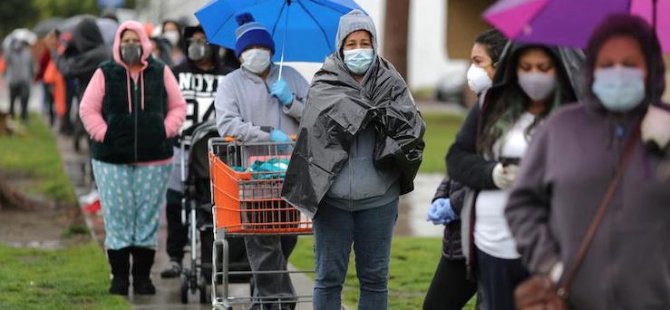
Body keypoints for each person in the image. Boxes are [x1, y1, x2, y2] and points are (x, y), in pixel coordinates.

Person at [506, 15, 670, 310]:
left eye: (630, 64)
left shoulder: (666, 127)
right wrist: (551, 264)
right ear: (592, 70)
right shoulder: (560, 128)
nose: (618, 73)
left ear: (651, 69)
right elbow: (522, 205)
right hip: (574, 299)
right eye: (607, 65)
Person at [282, 10, 425, 310]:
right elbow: (314, 135)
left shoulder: (392, 83)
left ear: (374, 45)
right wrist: (352, 112)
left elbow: (411, 130)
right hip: (332, 201)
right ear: (340, 46)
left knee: (374, 280)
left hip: (379, 199)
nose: (359, 49)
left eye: (365, 42)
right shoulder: (323, 83)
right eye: (351, 43)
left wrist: (379, 115)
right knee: (328, 278)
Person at [446, 40, 581, 309]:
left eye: (543, 68)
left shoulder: (572, 114)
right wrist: (494, 174)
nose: (534, 76)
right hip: (492, 244)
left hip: (547, 246)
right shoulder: (490, 106)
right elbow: (457, 158)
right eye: (526, 67)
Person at [78, 20, 186, 296]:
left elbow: (177, 106)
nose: (130, 46)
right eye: (124, 41)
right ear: (117, 44)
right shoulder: (106, 72)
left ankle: (142, 278)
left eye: (134, 40)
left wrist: (164, 130)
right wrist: (104, 133)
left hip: (155, 158)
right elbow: (88, 109)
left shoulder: (161, 71)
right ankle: (119, 278)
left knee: (147, 218)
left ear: (144, 42)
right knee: (117, 216)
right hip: (111, 159)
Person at [214, 12, 309, 309]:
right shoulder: (231, 83)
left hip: (290, 175)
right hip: (251, 177)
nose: (258, 54)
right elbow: (227, 124)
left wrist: (291, 102)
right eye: (250, 49)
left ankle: (262, 299)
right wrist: (267, 136)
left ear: (271, 49)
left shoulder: (291, 76)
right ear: (241, 54)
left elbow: (317, 117)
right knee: (262, 240)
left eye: (263, 48)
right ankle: (280, 301)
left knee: (285, 239)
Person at [423, 28, 507, 310]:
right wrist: (440, 198)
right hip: (461, 237)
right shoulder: (480, 108)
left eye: (478, 62)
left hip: (492, 235)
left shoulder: (511, 114)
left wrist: (456, 204)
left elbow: (495, 172)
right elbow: (456, 162)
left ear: (500, 65)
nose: (472, 70)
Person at [160, 25, 234, 279]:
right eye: (192, 40)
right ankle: (174, 256)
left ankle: (210, 260)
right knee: (175, 202)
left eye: (203, 39)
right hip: (181, 147)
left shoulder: (228, 76)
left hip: (217, 153)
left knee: (210, 206)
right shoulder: (175, 74)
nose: (197, 44)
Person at [5, 38, 34, 120]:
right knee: (12, 99)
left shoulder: (27, 53)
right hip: (13, 80)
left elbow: (31, 65)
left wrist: (32, 75)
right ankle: (11, 114)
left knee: (25, 98)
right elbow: (6, 62)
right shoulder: (10, 53)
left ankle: (24, 115)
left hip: (25, 80)